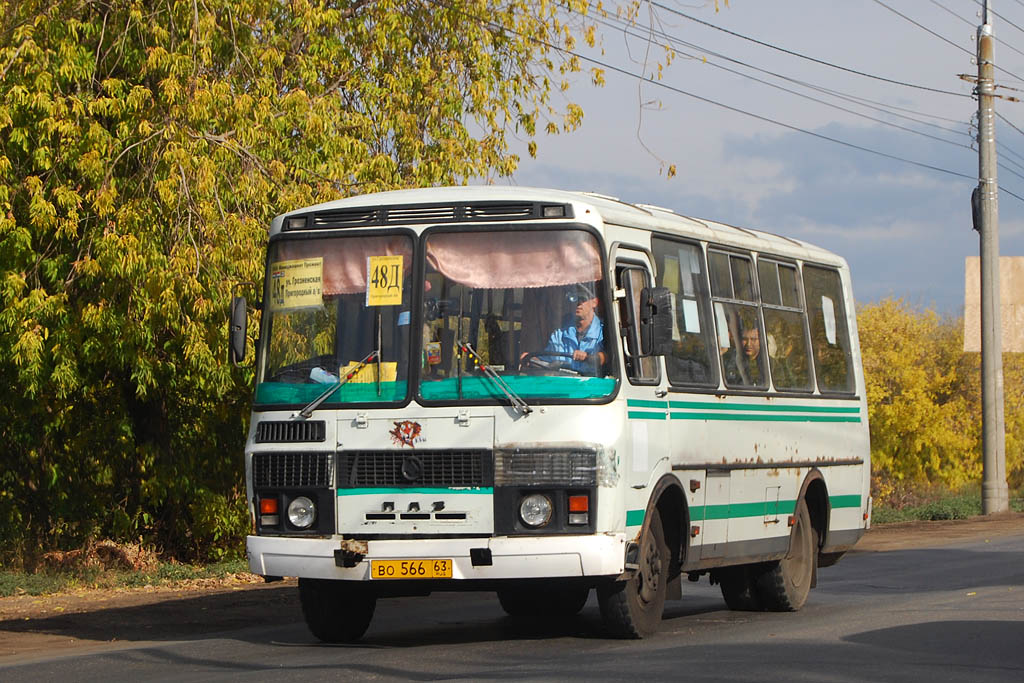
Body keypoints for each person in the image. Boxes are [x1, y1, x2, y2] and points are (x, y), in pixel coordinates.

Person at [534, 282, 607, 375]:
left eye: (583, 298)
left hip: (593, 386)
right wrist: (533, 360)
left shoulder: (604, 331)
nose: (578, 303)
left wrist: (589, 358)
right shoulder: (559, 333)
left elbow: (608, 358)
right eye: (574, 298)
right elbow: (547, 360)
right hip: (563, 386)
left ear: (594, 302)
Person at [724, 322, 765, 386]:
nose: (748, 344)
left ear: (761, 341)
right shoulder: (727, 361)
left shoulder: (770, 364)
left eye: (753, 339)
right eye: (744, 339)